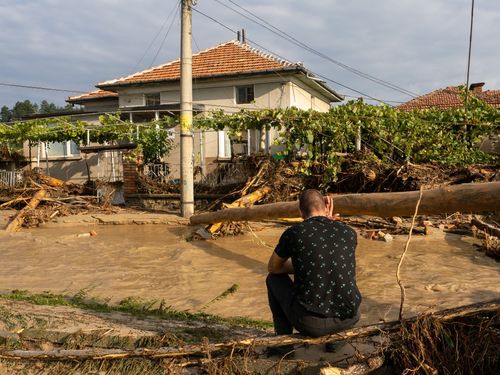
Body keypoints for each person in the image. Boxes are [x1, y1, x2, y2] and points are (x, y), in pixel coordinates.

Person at [266, 189, 361, 342]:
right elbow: (330, 259)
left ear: (300, 212)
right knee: (338, 275)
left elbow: (273, 268)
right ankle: (335, 344)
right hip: (351, 317)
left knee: (273, 279)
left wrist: (301, 263)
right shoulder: (349, 233)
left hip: (312, 324)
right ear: (326, 207)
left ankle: (283, 343)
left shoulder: (293, 233)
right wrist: (329, 220)